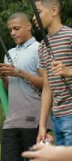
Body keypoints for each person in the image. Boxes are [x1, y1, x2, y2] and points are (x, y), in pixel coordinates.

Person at [0, 12, 45, 161]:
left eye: (16, 28)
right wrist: (4, 77)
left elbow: (46, 84)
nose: (13, 33)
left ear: (28, 26)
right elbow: (10, 88)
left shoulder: (39, 48)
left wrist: (20, 73)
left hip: (33, 117)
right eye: (10, 30)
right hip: (12, 119)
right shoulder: (9, 54)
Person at [34, 0, 72, 153]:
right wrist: (43, 124)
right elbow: (47, 86)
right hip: (57, 118)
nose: (34, 17)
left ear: (54, 10)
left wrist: (68, 71)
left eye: (38, 12)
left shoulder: (70, 36)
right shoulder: (43, 45)